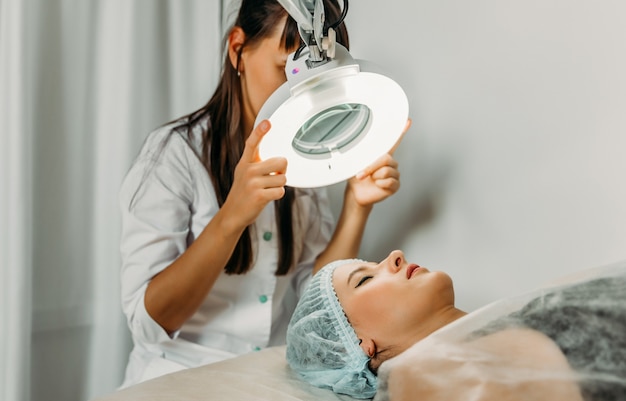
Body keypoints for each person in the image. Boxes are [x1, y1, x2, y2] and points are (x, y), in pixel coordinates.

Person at [118, 0, 410, 388]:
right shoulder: (175, 156)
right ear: (237, 49)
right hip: (176, 377)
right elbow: (150, 322)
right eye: (284, 72)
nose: (299, 94)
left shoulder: (302, 150)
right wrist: (233, 215)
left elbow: (317, 305)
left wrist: (357, 205)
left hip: (267, 379)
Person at [286, 250, 626, 400]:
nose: (395, 255)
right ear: (358, 345)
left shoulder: (510, 319)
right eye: (364, 280)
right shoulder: (416, 378)